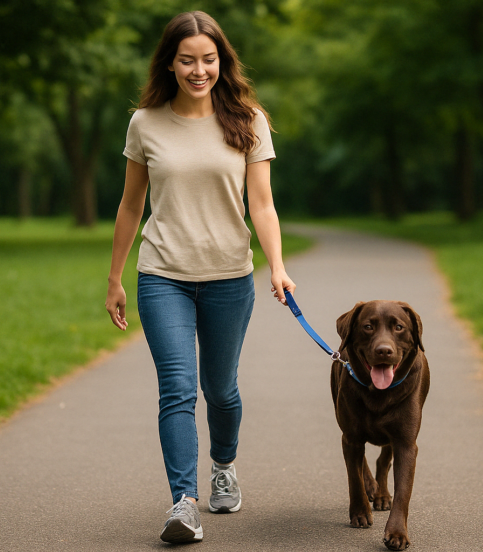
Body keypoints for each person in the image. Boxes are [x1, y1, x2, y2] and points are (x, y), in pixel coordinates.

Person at [104, 10, 295, 545]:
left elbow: (263, 205)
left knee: (221, 391)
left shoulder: (248, 120)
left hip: (229, 277)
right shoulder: (145, 123)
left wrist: (278, 266)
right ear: (169, 63)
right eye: (186, 60)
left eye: (208, 59)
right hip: (162, 274)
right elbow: (130, 205)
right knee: (178, 389)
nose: (198, 70)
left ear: (221, 61)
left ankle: (224, 466)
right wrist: (115, 278)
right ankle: (184, 503)